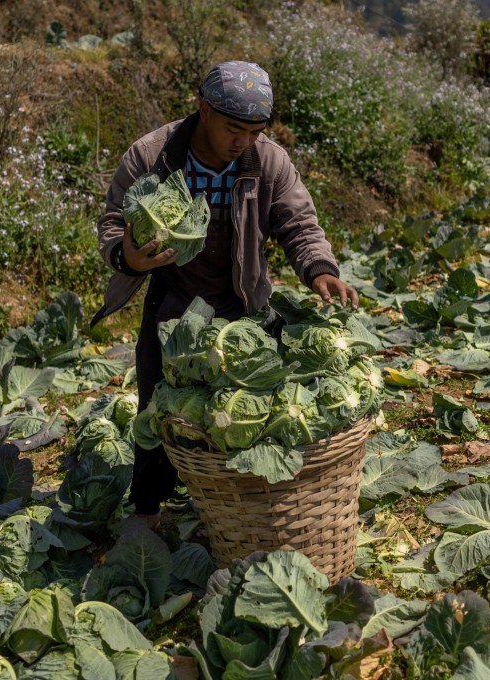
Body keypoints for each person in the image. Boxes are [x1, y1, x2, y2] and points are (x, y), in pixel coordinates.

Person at [91, 60, 358, 527]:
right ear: (204, 111)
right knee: (158, 405)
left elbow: (298, 222)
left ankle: (237, 507)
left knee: (249, 411)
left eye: (255, 132)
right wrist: (128, 258)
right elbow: (114, 223)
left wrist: (319, 269)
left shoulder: (269, 161)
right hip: (173, 304)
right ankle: (149, 509)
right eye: (235, 129)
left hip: (242, 303)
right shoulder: (152, 155)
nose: (244, 142)